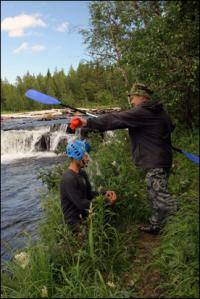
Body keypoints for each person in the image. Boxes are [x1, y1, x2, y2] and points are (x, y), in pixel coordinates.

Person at [73, 83, 178, 234]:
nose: (131, 102)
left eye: (132, 98)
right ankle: (157, 226)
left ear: (141, 97)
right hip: (162, 158)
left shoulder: (143, 111)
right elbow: (171, 126)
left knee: (161, 197)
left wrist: (87, 122)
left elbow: (117, 119)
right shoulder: (159, 111)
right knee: (154, 194)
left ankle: (184, 221)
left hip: (155, 161)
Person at [60, 139, 117, 235]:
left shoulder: (82, 173)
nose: (87, 158)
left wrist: (105, 193)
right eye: (85, 155)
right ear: (76, 156)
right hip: (74, 223)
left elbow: (89, 194)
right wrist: (106, 201)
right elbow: (81, 203)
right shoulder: (68, 179)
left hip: (85, 215)